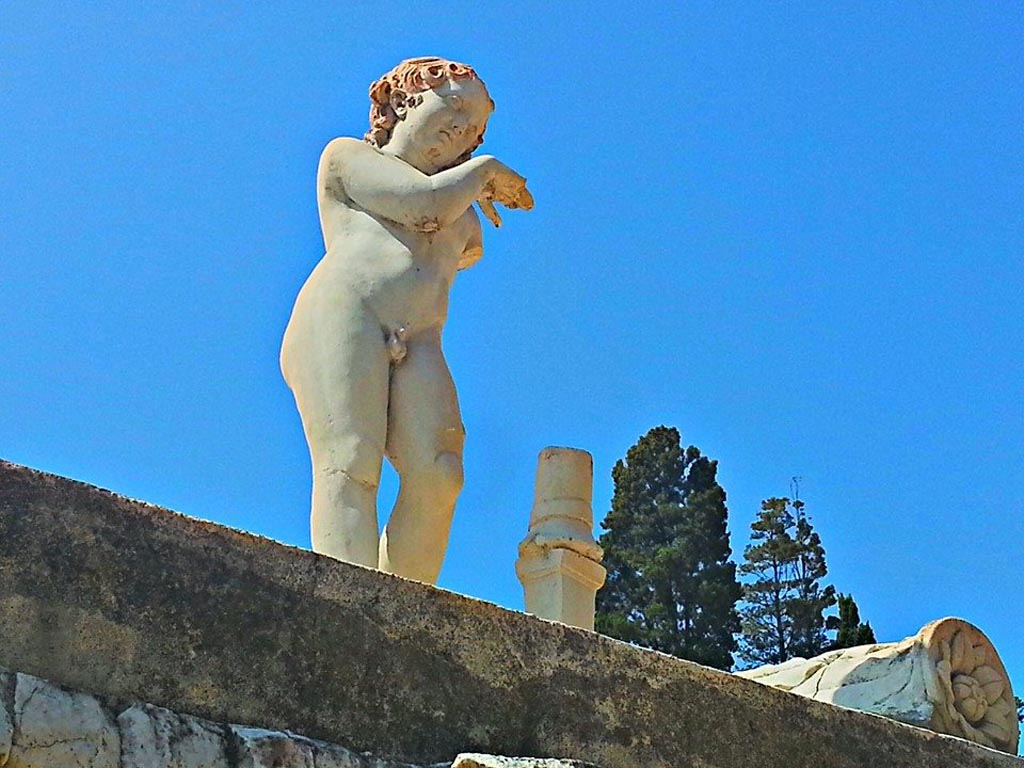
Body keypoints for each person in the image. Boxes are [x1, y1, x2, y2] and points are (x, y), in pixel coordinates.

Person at [281, 57, 532, 584]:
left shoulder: (461, 206)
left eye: (478, 124)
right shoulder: (346, 157)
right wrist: (483, 173)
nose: (466, 128)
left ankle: (404, 608)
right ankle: (346, 599)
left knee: (440, 472)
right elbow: (423, 208)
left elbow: (448, 232)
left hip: (420, 336)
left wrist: (467, 188)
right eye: (457, 104)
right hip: (346, 312)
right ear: (402, 103)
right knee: (350, 458)